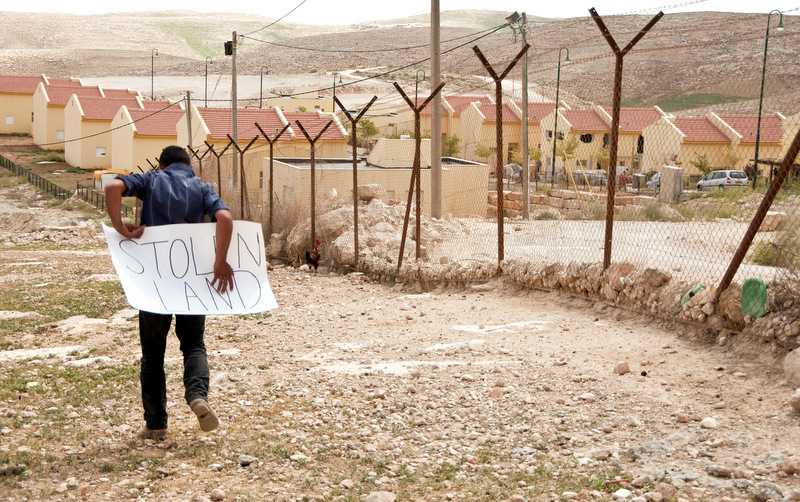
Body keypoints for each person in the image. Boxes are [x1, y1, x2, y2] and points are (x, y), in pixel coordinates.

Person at [105, 145, 234, 440]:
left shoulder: (152, 179)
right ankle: (197, 396)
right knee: (193, 344)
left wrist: (119, 228)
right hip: (191, 285)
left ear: (162, 166)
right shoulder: (202, 187)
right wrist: (220, 260)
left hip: (154, 283)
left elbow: (113, 186)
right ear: (190, 166)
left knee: (153, 354)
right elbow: (224, 218)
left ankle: (156, 424)